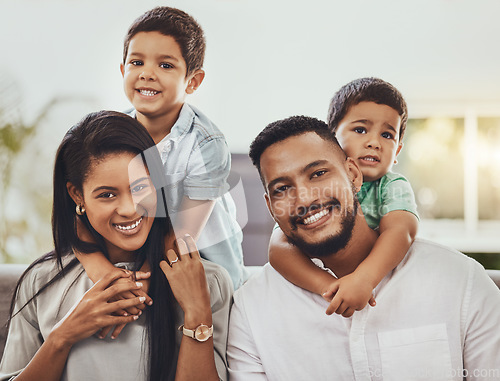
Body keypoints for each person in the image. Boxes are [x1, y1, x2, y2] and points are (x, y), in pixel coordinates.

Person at [227, 116, 500, 380]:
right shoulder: (251, 311)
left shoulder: (461, 282)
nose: (304, 199)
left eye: (319, 173)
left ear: (354, 175)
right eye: (282, 189)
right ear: (270, 207)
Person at [0, 111, 233, 381]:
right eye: (107, 194)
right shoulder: (41, 281)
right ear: (78, 195)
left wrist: (196, 312)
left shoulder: (208, 282)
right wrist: (63, 336)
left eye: (140, 187)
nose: (129, 209)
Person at [76, 6, 247, 292]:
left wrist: (140, 283)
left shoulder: (206, 145)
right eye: (137, 63)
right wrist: (104, 273)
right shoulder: (108, 135)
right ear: (123, 70)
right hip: (137, 259)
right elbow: (79, 211)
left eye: (165, 65)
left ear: (192, 81)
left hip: (200, 266)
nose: (147, 74)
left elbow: (181, 237)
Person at [268, 78, 418, 317]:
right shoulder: (313, 190)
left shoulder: (392, 186)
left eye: (387, 135)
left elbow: (401, 231)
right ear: (332, 137)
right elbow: (278, 248)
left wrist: (364, 279)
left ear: (398, 150)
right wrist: (329, 287)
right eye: (360, 130)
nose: (374, 142)